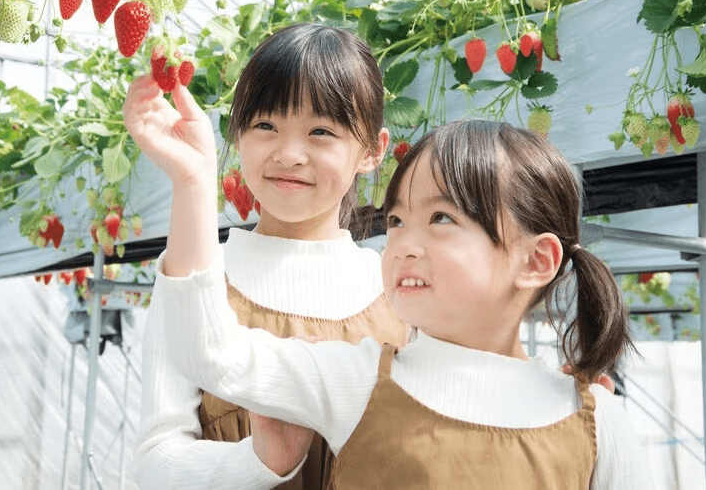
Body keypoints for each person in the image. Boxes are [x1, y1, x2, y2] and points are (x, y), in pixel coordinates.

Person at [126, 82, 650, 487]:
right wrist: (193, 184)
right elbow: (207, 349)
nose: (402, 245)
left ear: (536, 261)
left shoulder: (598, 421)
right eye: (396, 221)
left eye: (441, 219)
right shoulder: (353, 377)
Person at [128, 23, 409, 489]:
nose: (289, 153)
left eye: (321, 131)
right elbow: (153, 462)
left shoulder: (398, 287)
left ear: (372, 151)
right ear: (237, 135)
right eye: (266, 125)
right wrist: (260, 462)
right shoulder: (195, 278)